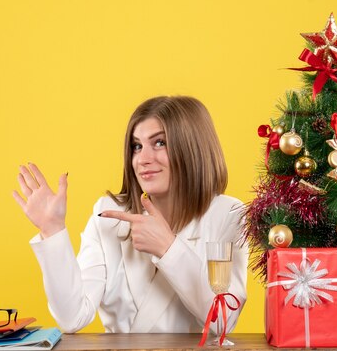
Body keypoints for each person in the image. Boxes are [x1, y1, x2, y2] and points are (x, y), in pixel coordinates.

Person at [12, 96, 248, 334]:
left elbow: (223, 320)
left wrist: (169, 248)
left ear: (191, 148)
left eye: (159, 143)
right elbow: (72, 317)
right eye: (137, 146)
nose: (143, 159)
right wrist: (52, 230)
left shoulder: (228, 215)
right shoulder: (108, 214)